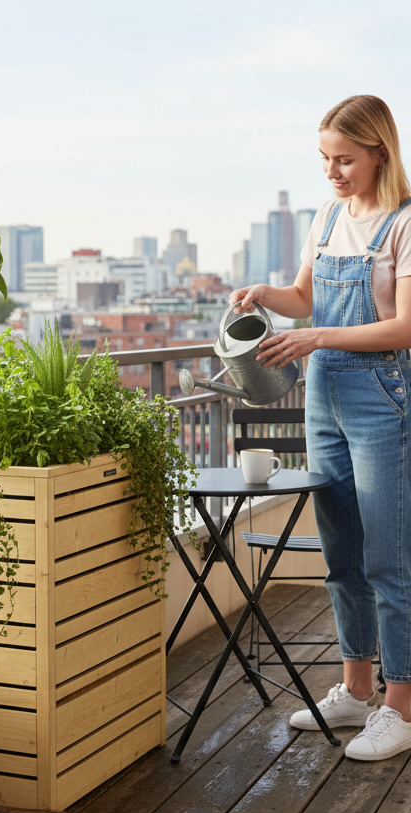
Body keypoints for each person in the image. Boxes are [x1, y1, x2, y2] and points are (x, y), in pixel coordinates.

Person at [229, 94, 411, 761]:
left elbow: (406, 327)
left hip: (379, 396)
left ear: (378, 152)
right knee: (341, 556)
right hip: (324, 397)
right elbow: (303, 297)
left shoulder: (404, 224)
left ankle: (401, 706)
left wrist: (314, 336)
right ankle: (356, 690)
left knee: (390, 558)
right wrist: (261, 295)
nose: (332, 173)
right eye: (325, 160)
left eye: (345, 160)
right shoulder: (330, 217)